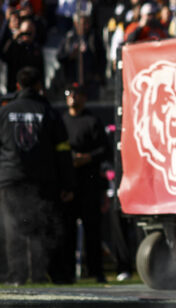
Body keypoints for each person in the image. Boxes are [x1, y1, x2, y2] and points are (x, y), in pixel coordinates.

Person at [0, 67, 75, 285]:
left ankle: (17, 276)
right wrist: (68, 183)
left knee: (13, 228)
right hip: (42, 180)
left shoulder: (4, 112)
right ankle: (41, 274)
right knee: (43, 226)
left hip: (10, 179)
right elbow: (62, 151)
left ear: (17, 86)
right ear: (39, 86)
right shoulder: (48, 112)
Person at [60, 83, 108, 283]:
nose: (73, 97)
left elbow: (104, 150)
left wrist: (86, 158)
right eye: (69, 93)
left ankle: (97, 272)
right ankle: (68, 273)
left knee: (92, 230)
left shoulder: (92, 120)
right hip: (69, 183)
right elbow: (58, 149)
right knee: (67, 231)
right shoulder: (61, 121)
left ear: (84, 98)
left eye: (77, 94)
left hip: (89, 183)